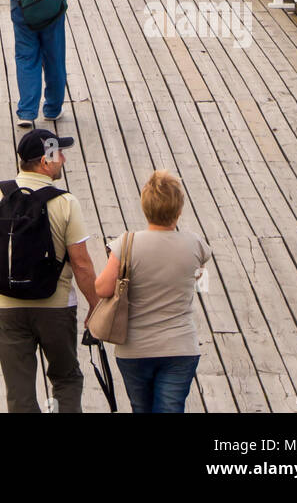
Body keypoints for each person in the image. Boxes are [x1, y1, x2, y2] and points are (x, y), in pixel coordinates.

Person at [0, 129, 97, 415]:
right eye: (58, 153)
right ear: (45, 161)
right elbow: (82, 263)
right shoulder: (65, 202)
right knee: (66, 378)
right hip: (56, 308)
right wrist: (97, 305)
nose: (62, 158)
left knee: (20, 390)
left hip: (7, 307)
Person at [94, 171, 211, 414]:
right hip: (180, 347)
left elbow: (102, 288)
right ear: (178, 211)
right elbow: (199, 272)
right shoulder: (194, 243)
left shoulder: (125, 244)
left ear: (145, 208)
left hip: (134, 349)